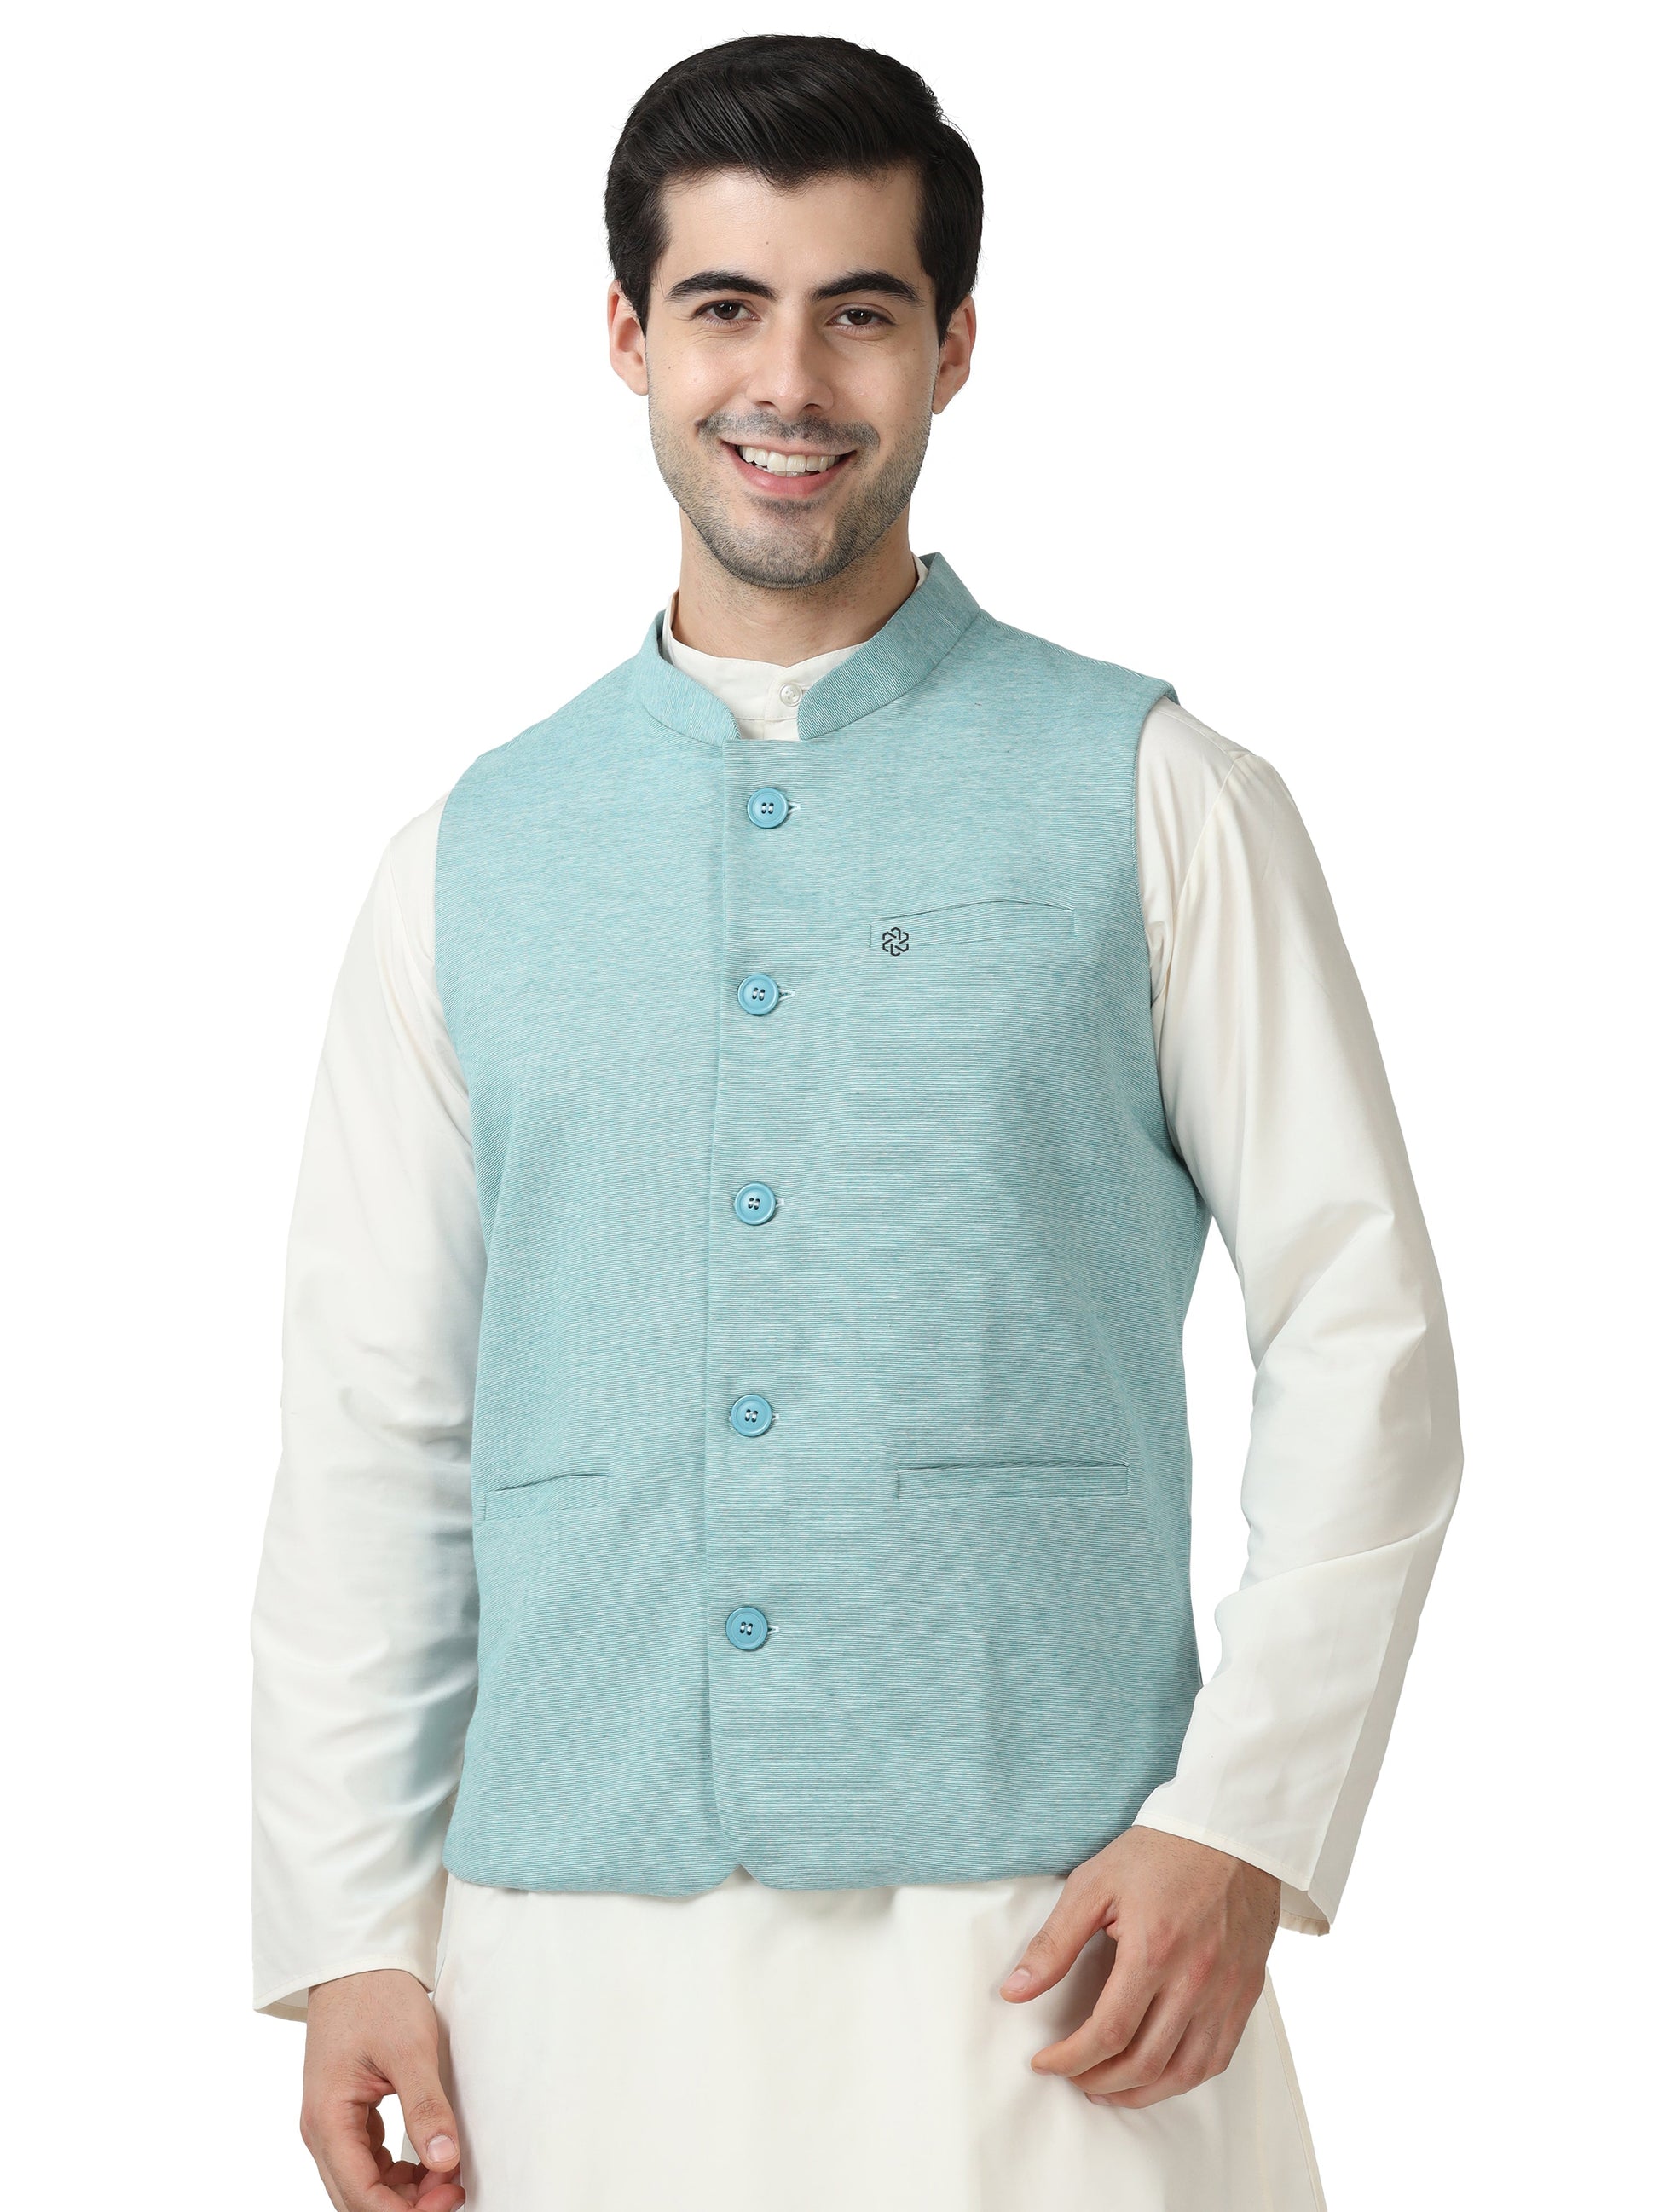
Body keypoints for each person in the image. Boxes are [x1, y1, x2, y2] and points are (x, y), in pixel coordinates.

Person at [251, 34, 1462, 2212]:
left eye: (860, 311)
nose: (787, 381)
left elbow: (1360, 1329)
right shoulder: (467, 859)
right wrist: (350, 1928)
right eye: (725, 305)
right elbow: (372, 1422)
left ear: (953, 345)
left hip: (1058, 1958)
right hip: (568, 1972)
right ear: (628, 335)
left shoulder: (1159, 793)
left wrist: (1241, 1820)